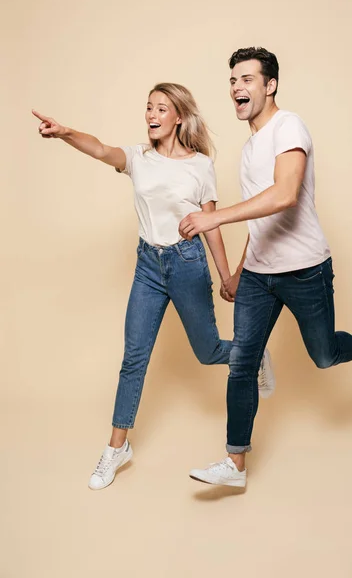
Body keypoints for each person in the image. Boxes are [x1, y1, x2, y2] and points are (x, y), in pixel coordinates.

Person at [32, 82, 275, 490]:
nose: (152, 114)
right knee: (134, 358)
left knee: (209, 351)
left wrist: (227, 275)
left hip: (186, 263)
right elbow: (99, 148)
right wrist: (65, 133)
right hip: (148, 263)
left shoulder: (200, 165)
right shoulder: (137, 157)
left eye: (161, 108)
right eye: (149, 107)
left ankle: (253, 352)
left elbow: (211, 225)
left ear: (178, 116)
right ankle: (116, 448)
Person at [179, 48, 352, 488]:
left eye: (247, 79)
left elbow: (285, 195)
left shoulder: (288, 126)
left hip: (305, 270)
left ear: (269, 85)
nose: (237, 87)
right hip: (258, 275)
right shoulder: (250, 146)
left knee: (324, 354)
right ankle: (235, 464)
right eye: (233, 80)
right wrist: (237, 271)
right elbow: (261, 218)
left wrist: (213, 217)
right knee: (242, 363)